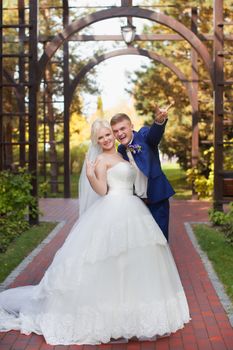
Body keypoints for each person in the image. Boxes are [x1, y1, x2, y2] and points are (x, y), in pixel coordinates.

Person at [0, 119, 190, 345]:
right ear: (96, 141)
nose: (107, 139)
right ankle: (110, 315)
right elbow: (102, 190)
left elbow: (140, 168)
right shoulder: (100, 159)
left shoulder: (122, 153)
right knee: (110, 260)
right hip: (113, 210)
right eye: (101, 137)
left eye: (108, 134)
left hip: (134, 209)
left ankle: (128, 312)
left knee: (132, 262)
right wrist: (91, 175)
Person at [110, 106, 175, 241]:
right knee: (142, 240)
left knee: (160, 239)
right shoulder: (121, 149)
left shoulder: (144, 135)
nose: (119, 133)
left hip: (157, 198)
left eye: (123, 128)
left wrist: (159, 122)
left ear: (131, 126)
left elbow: (154, 136)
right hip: (138, 204)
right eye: (115, 131)